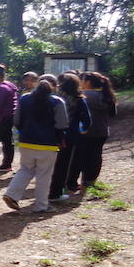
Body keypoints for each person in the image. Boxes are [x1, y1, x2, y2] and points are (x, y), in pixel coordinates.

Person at [2, 76, 68, 213]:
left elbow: (17, 120)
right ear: (54, 87)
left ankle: (11, 194)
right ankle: (41, 206)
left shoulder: (25, 98)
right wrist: (60, 139)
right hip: (48, 144)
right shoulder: (57, 102)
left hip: (26, 142)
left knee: (25, 169)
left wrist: (23, 133)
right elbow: (62, 125)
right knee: (44, 175)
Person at [48, 72, 92, 201]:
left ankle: (42, 192)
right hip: (69, 137)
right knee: (62, 165)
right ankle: (55, 193)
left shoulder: (54, 98)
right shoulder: (79, 99)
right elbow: (87, 119)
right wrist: (84, 130)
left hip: (52, 134)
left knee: (48, 165)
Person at [69, 72, 116, 188]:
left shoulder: (83, 95)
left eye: (82, 80)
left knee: (79, 157)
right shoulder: (107, 95)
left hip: (84, 131)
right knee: (95, 156)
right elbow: (113, 113)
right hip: (101, 131)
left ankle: (73, 182)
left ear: (88, 82)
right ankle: (90, 180)